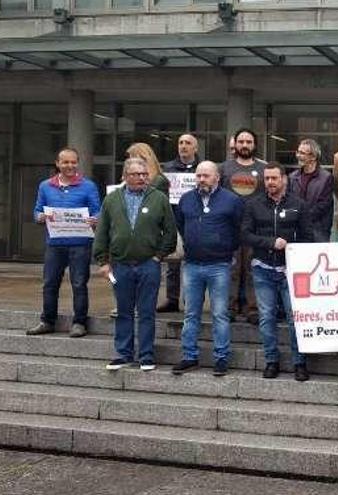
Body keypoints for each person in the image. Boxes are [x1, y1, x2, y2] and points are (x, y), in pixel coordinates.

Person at [93, 157, 177, 371]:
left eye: (144, 174)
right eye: (136, 174)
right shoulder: (112, 200)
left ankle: (147, 355)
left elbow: (170, 231)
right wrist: (102, 260)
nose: (141, 178)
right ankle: (123, 354)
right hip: (120, 265)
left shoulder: (158, 198)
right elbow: (102, 231)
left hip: (149, 264)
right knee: (123, 311)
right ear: (125, 176)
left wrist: (158, 256)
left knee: (147, 311)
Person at [242, 162, 313, 381]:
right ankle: (271, 361)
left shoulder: (299, 205)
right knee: (266, 317)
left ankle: (299, 362)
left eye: (274, 178)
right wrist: (271, 242)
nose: (270, 182)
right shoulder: (254, 205)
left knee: (295, 318)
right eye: (267, 179)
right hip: (263, 268)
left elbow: (308, 237)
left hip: (290, 271)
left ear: (283, 179)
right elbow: (245, 235)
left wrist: (291, 244)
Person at [171, 161, 243, 376]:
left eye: (206, 175)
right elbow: (181, 226)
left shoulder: (232, 200)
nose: (201, 179)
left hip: (219, 265)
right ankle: (189, 356)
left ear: (217, 177)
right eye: (198, 175)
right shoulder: (186, 199)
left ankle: (221, 358)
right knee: (191, 314)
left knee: (220, 314)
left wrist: (226, 248)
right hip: (192, 265)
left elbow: (239, 230)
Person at [28, 147, 101, 338]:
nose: (70, 166)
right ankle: (47, 321)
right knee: (50, 284)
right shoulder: (45, 186)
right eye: (65, 162)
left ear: (77, 163)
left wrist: (95, 219)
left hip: (80, 243)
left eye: (73, 162)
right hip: (55, 243)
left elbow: (98, 211)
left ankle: (79, 323)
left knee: (79, 284)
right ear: (58, 164)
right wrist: (40, 217)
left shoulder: (88, 186)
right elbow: (36, 212)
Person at [220, 128, 266, 324]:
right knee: (231, 269)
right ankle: (229, 307)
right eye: (241, 141)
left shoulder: (263, 169)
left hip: (255, 228)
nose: (245, 145)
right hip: (230, 227)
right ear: (235, 144)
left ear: (254, 145)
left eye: (249, 142)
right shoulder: (223, 168)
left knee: (252, 269)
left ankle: (252, 308)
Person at [158, 133, 202, 313]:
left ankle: (190, 300)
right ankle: (172, 299)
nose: (183, 146)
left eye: (188, 143)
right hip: (173, 219)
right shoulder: (167, 169)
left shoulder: (202, 168)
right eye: (181, 143)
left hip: (195, 220)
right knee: (173, 263)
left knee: (193, 262)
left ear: (195, 148)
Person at [288, 138, 334, 242]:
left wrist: (302, 217)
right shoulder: (292, 177)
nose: (298, 156)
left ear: (313, 157)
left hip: (318, 232)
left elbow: (323, 205)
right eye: (298, 152)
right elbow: (289, 201)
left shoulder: (326, 178)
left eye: (303, 153)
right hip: (297, 230)